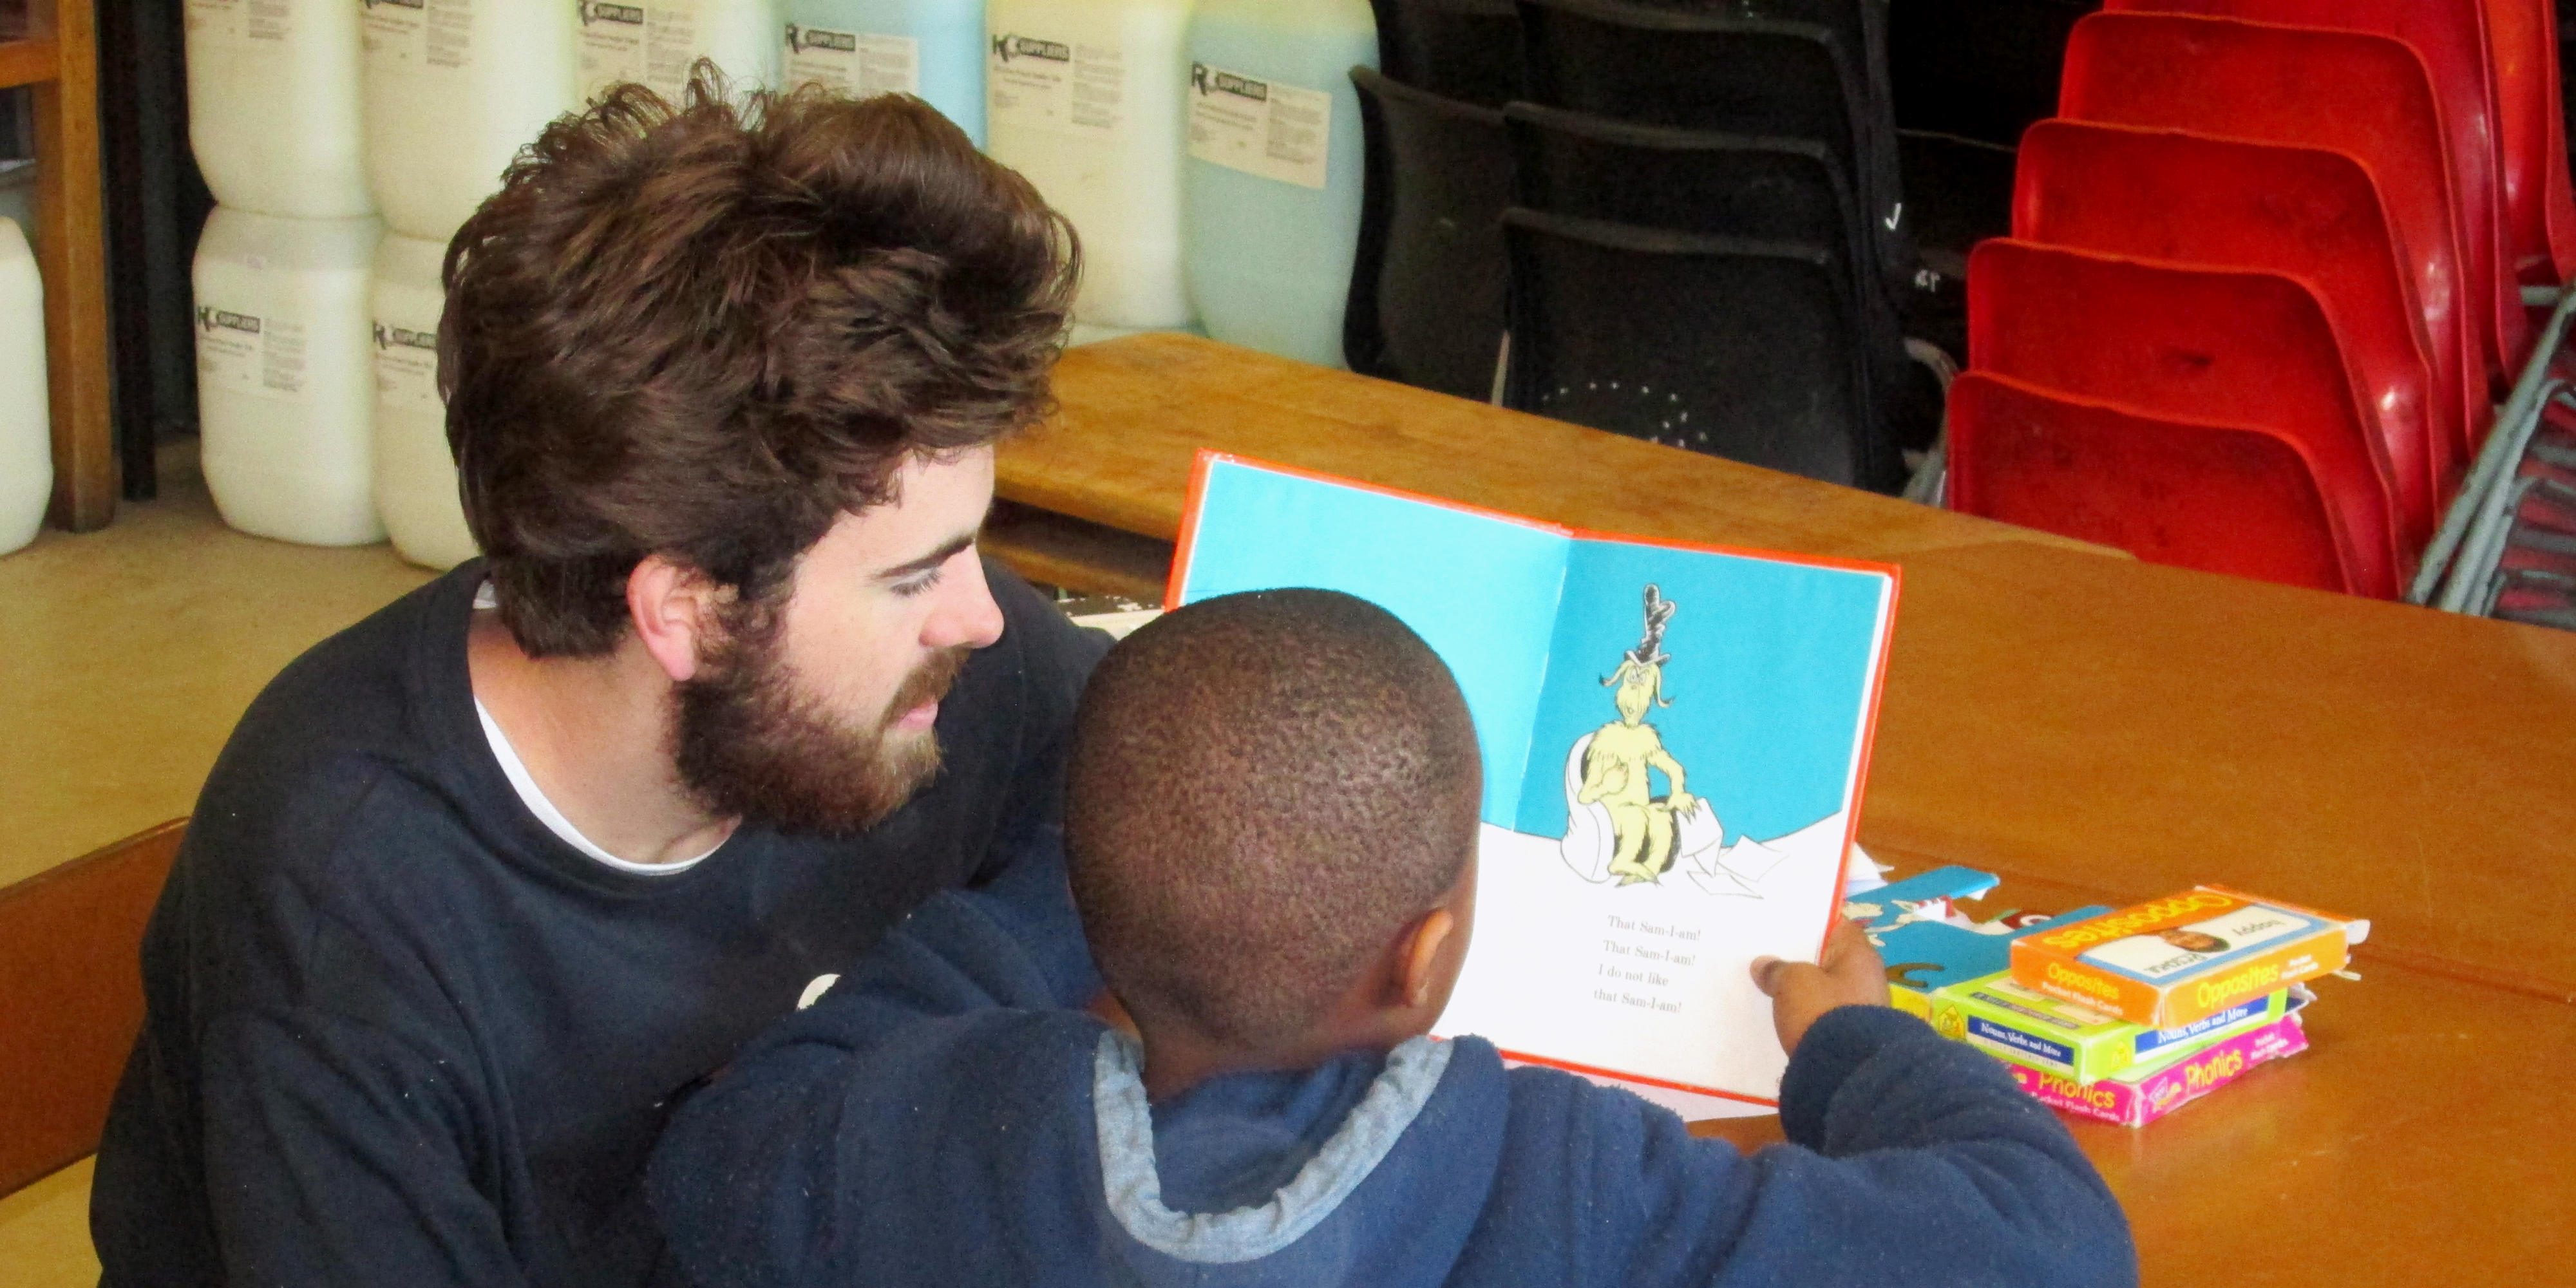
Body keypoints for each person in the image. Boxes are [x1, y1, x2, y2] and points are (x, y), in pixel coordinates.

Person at [91, 80, 1103, 1287]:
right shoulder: (349, 916)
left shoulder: (929, 676)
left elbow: (1180, 802)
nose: (984, 619)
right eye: (914, 578)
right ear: (685, 611)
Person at [647, 589, 2138, 1288]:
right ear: (1421, 958)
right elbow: (2051, 1243)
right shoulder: (1565, 1184)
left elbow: (715, 1158)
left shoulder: (932, 1134)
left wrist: (1052, 901)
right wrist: (1848, 1046)